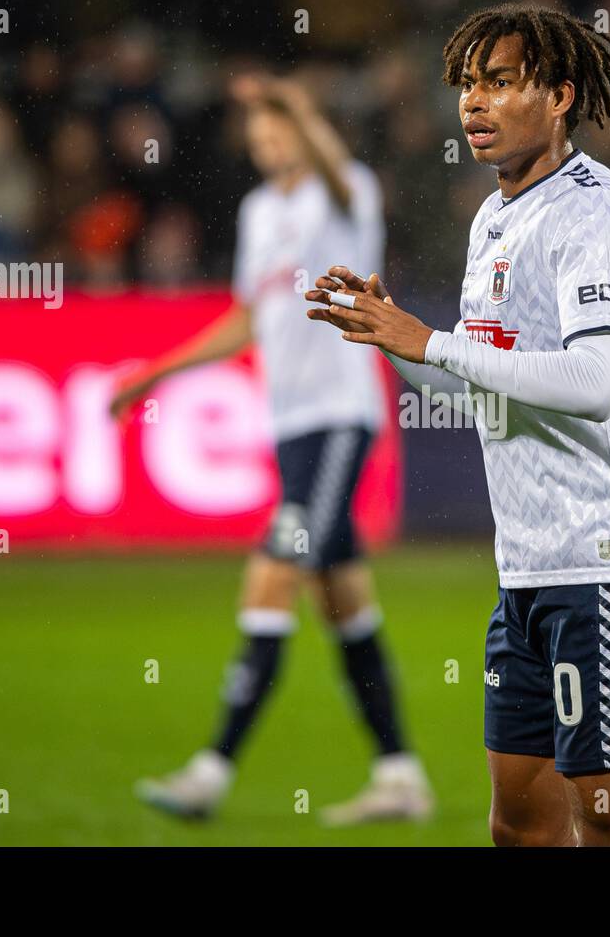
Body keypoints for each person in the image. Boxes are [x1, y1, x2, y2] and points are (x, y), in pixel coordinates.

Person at [305, 4, 610, 846]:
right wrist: (390, 337)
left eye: (500, 83)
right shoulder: (495, 218)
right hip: (526, 570)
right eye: (468, 85)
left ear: (559, 96)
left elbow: (592, 383)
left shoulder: (593, 212)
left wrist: (435, 342)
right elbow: (484, 389)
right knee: (520, 824)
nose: (474, 104)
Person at [112, 73, 432, 826]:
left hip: (340, 416)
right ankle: (400, 773)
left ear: (305, 128)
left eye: (278, 131)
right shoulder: (259, 212)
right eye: (257, 138)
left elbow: (329, 163)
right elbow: (248, 319)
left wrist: (290, 100)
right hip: (291, 426)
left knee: (271, 572)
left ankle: (211, 769)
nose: (268, 147)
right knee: (342, 597)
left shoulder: (342, 191)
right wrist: (154, 372)